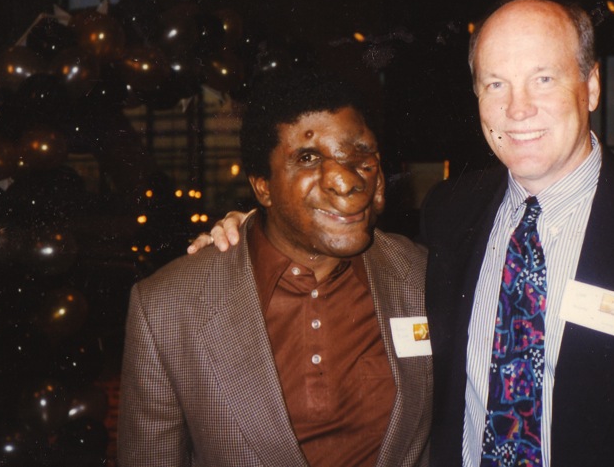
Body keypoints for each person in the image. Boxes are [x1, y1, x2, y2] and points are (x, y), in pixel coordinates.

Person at [192, 0, 614, 467]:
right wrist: (256, 232)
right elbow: (342, 246)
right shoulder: (449, 212)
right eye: (495, 84)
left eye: (543, 78)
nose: (518, 108)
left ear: (591, 86)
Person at [118, 70, 432, 467]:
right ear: (262, 186)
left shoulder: (422, 276)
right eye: (308, 158)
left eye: (358, 154)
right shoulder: (167, 308)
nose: (345, 179)